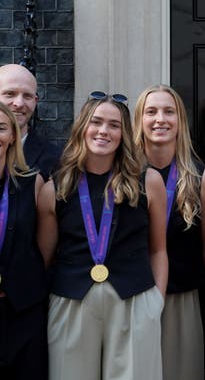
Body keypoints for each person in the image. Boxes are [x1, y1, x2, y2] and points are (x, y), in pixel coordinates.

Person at [36, 91, 168, 380]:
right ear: (83, 126)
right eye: (96, 122)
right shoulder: (54, 188)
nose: (104, 131)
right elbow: (45, 257)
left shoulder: (149, 181)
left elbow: (158, 249)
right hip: (71, 301)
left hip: (134, 299)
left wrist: (155, 301)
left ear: (124, 133)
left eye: (114, 125)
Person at [133, 84, 205, 380]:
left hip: (181, 298)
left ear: (180, 121)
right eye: (151, 111)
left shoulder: (203, 179)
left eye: (169, 111)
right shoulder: (124, 175)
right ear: (139, 121)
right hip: (129, 295)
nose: (160, 119)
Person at [0, 102, 47, 379]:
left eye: (1, 128)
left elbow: (44, 248)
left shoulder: (33, 182)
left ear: (13, 136)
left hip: (23, 310)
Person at [0, 64, 61, 179]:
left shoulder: (56, 159)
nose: (19, 103)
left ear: (35, 101)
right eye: (10, 94)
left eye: (27, 96)